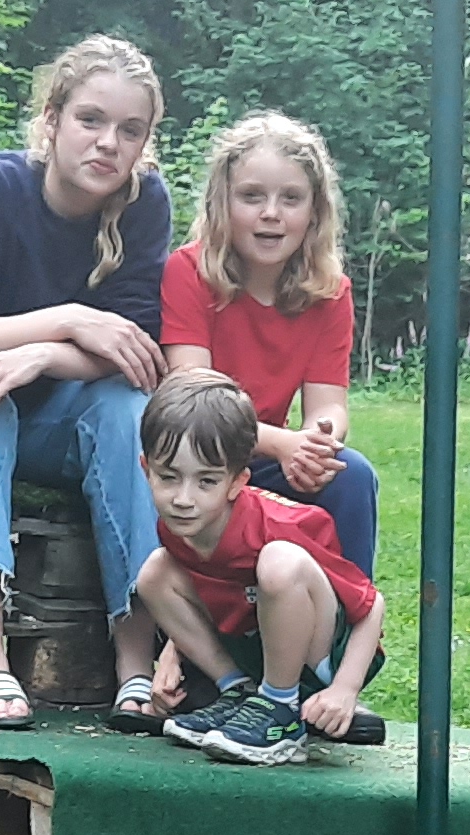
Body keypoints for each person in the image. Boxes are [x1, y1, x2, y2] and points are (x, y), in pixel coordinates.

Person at [0, 38, 176, 730]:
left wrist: (43, 359)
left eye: (129, 130)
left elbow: (132, 353)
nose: (108, 143)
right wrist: (66, 323)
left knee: (125, 406)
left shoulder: (144, 205)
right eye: (90, 119)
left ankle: (134, 662)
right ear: (52, 118)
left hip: (55, 417)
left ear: (145, 141)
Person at [159, 110, 378, 577]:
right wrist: (284, 444)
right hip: (198, 460)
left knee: (352, 475)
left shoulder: (329, 292)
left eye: (291, 199)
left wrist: (317, 442)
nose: (271, 214)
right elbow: (193, 402)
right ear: (223, 204)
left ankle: (349, 624)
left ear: (314, 213)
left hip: (268, 458)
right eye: (251, 196)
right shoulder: (190, 273)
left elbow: (329, 404)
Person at [129, 371, 384, 768]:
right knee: (155, 572)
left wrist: (345, 690)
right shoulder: (179, 526)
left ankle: (280, 710)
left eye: (206, 481)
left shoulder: (274, 525)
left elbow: (370, 607)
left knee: (279, 563)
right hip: (256, 646)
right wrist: (171, 656)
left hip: (324, 655)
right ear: (146, 469)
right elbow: (203, 583)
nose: (183, 498)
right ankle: (240, 692)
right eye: (168, 477)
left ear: (236, 483)